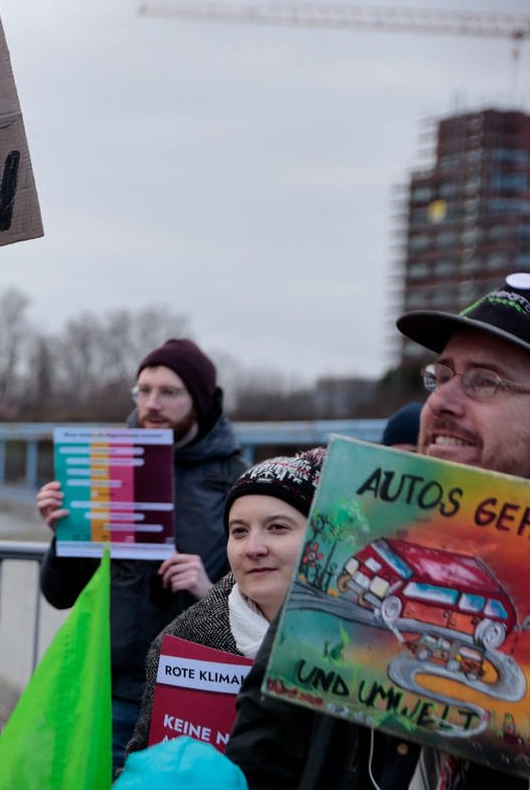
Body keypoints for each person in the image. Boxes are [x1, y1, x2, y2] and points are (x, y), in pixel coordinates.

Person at [226, 273, 530, 788]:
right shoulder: (361, 538)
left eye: (484, 381)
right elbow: (264, 744)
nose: (442, 402)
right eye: (443, 376)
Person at [38, 337, 247, 767]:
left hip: (199, 690)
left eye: (169, 392)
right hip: (112, 691)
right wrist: (65, 534)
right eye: (143, 390)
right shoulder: (105, 468)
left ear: (203, 401)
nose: (151, 403)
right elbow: (59, 593)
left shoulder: (238, 483)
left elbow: (266, 601)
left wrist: (209, 589)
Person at [125, 447, 325, 756]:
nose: (253, 548)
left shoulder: (369, 649)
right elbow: (147, 766)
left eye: (277, 527)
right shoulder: (182, 645)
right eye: (239, 531)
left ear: (321, 539)